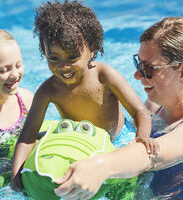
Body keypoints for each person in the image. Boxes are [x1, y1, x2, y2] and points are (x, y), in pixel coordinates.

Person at [53, 17, 183, 200]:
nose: (137, 75)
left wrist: (100, 166)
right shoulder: (154, 106)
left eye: (149, 68)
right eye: (139, 64)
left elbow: (153, 155)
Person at [12, 0, 156, 190]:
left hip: (116, 140)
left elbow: (140, 112)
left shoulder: (105, 76)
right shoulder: (49, 89)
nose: (63, 66)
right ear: (44, 52)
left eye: (72, 57)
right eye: (53, 58)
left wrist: (141, 140)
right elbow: (28, 135)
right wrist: (16, 177)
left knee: (136, 186)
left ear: (92, 49)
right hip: (78, 140)